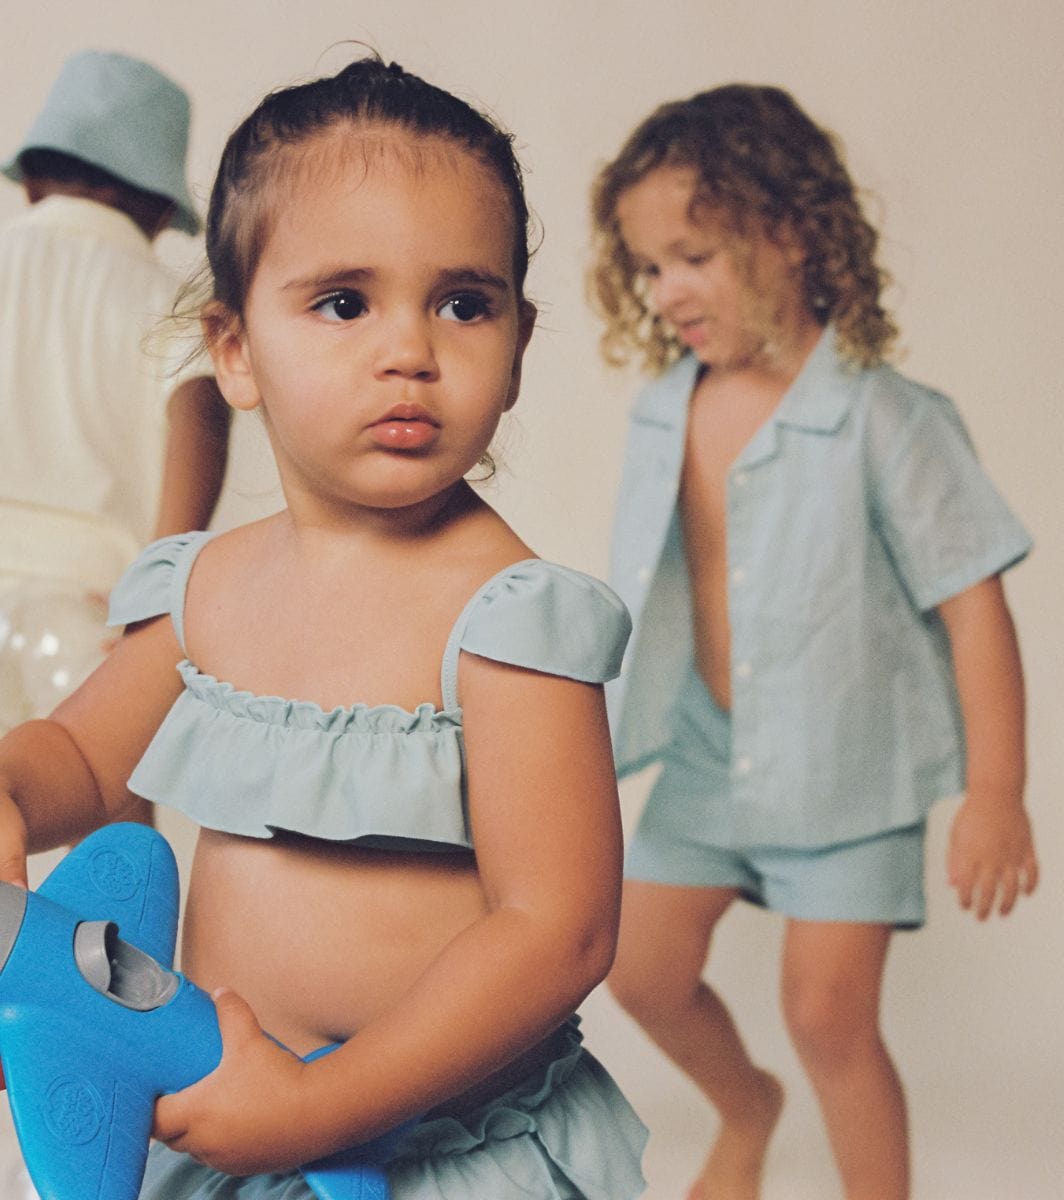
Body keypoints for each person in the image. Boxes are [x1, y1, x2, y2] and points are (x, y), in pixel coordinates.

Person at [0, 56, 646, 1199]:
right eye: (344, 302)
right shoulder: (205, 588)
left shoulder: (511, 623)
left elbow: (559, 932)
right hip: (230, 1113)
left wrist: (316, 1110)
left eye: (463, 301)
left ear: (519, 344)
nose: (410, 348)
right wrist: (10, 785)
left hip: (442, 1151)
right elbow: (86, 754)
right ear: (236, 352)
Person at [589, 84, 1039, 1200]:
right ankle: (748, 1107)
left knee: (828, 1018)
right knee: (636, 966)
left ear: (789, 231)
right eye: (649, 268)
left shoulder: (888, 418)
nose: (668, 290)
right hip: (708, 752)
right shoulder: (665, 407)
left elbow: (973, 605)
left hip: (847, 771)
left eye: (692, 255)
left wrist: (996, 791)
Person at [0, 50, 230, 735]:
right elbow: (199, 438)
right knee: (106, 816)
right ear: (161, 207)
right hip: (88, 611)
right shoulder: (175, 306)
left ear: (35, 177)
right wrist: (152, 610)